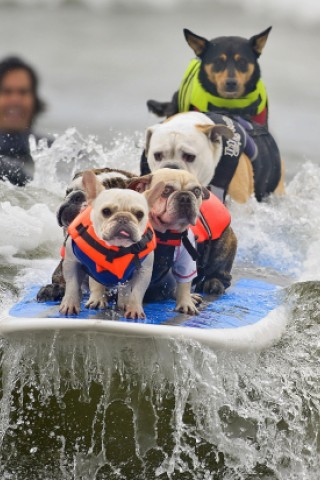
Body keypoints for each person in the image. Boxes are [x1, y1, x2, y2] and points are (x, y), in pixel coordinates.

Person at [0, 56, 49, 186]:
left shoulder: (51, 149)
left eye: (23, 92)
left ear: (35, 100)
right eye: (6, 92)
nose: (15, 100)